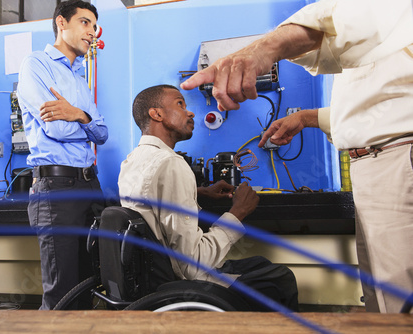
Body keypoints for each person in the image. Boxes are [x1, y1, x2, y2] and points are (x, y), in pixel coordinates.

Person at [181, 0, 413, 313]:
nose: (191, 114)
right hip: (380, 163)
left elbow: (356, 20)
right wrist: (305, 118)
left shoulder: (374, 13)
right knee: (382, 302)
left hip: (396, 160)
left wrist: (266, 48)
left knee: (397, 305)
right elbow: (376, 102)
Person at [118, 84, 298, 311]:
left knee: (260, 264)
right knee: (279, 279)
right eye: (180, 104)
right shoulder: (171, 163)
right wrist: (237, 213)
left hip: (148, 275)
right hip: (181, 282)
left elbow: (149, 201)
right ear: (157, 114)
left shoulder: (132, 160)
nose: (190, 112)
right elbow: (192, 266)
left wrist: (197, 193)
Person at [17, 0, 108, 310]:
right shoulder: (35, 65)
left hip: (89, 185)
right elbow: (56, 130)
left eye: (94, 26)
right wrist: (85, 123)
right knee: (63, 293)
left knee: (92, 282)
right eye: (85, 23)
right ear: (61, 23)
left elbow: (104, 134)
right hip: (57, 190)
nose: (92, 32)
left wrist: (78, 114)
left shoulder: (80, 77)